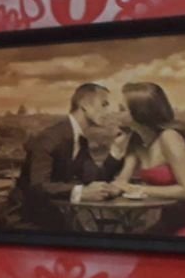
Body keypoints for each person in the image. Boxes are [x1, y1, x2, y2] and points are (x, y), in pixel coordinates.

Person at [12, 83, 128, 229]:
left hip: (52, 217)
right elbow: (38, 186)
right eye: (104, 104)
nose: (108, 111)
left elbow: (95, 177)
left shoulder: (79, 139)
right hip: (24, 219)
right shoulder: (50, 138)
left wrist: (116, 150)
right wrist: (81, 193)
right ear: (85, 105)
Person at [109, 82, 185, 236]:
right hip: (171, 220)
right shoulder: (136, 140)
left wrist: (140, 189)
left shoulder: (169, 138)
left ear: (139, 113)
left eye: (122, 109)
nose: (116, 114)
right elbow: (123, 180)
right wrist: (110, 187)